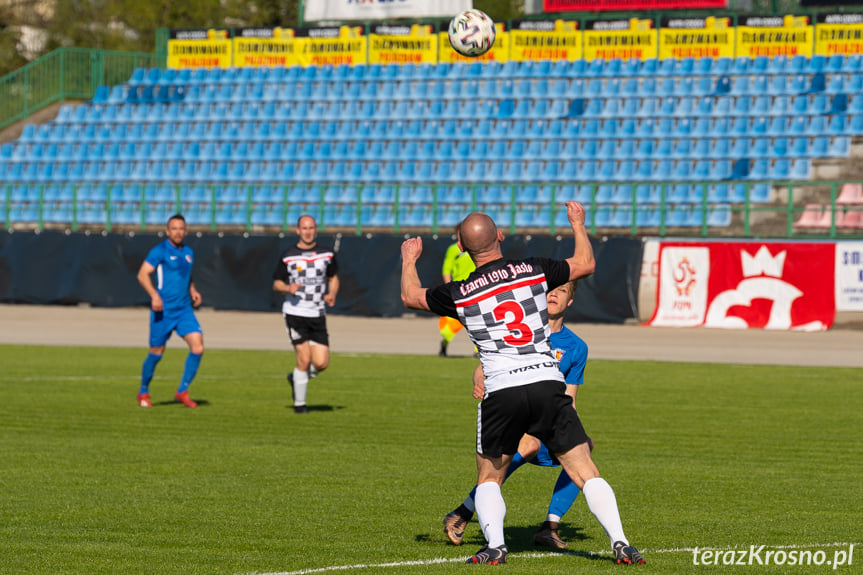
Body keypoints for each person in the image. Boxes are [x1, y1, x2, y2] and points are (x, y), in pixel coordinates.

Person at [400, 202, 644, 566]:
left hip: (501, 389)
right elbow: (585, 264)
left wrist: (409, 259)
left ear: (462, 249)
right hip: (546, 380)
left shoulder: (460, 293)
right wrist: (578, 224)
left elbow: (410, 296)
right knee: (584, 468)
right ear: (501, 236)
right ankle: (621, 542)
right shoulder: (533, 269)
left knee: (489, 477)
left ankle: (495, 546)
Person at [443, 280, 590, 550]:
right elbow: (484, 366)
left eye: (562, 291)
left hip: (548, 417)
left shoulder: (577, 347)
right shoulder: (524, 331)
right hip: (514, 414)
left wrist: (572, 429)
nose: (554, 294)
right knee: (528, 445)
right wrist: (479, 381)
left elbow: (570, 397)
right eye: (550, 290)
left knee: (585, 447)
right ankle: (464, 511)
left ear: (570, 301)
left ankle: (549, 527)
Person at [272, 214, 339, 414]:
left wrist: (332, 293)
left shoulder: (327, 254)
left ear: (315, 230)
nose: (308, 231)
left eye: (311, 228)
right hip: (295, 313)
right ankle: (300, 405)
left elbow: (333, 277)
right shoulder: (288, 256)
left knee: (321, 363)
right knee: (303, 359)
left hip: (317, 313)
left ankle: (296, 378)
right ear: (298, 230)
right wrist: (287, 289)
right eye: (304, 228)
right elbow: (276, 283)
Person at [136, 213, 204, 409]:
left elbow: (186, 276)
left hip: (184, 309)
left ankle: (182, 391)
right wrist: (154, 295)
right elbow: (142, 274)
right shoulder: (159, 251)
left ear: (186, 231)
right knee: (156, 352)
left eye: (181, 228)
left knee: (198, 347)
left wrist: (192, 290)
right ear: (167, 231)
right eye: (174, 228)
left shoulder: (189, 252)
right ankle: (143, 391)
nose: (178, 232)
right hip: (163, 311)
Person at [438, 233, 476, 357]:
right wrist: (448, 289)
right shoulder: (453, 249)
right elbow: (446, 269)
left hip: (476, 289)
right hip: (459, 290)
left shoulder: (477, 248)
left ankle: (478, 351)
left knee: (477, 321)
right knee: (453, 322)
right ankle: (445, 343)